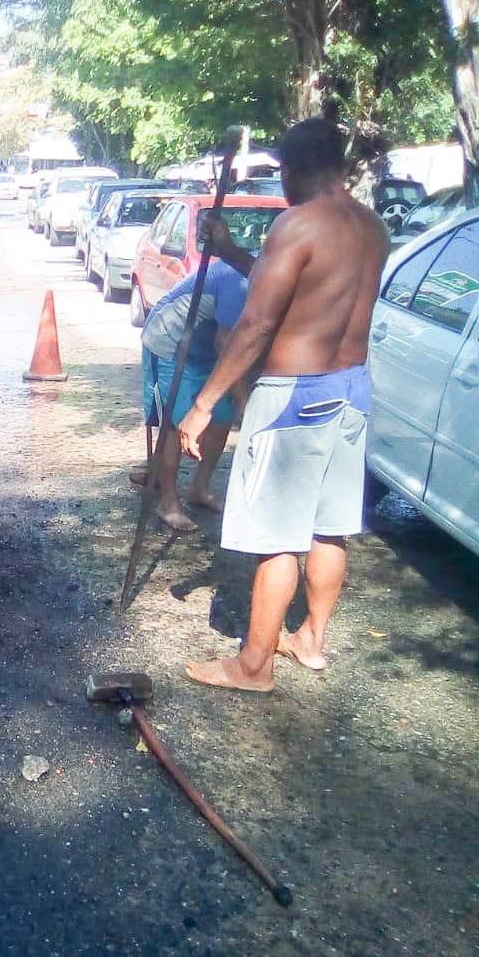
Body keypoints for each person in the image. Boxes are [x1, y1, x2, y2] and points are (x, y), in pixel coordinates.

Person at [178, 117, 389, 692]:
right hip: (351, 388)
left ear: (294, 171)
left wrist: (204, 403)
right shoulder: (372, 227)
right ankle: (311, 642)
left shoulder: (296, 225)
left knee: (277, 535)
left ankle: (254, 666)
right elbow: (307, 290)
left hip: (296, 395)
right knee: (330, 527)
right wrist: (230, 251)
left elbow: (257, 323)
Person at [139, 253, 251, 531]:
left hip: (204, 351)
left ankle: (199, 489)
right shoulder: (239, 280)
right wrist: (242, 395)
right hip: (169, 344)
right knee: (176, 425)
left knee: (222, 416)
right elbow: (225, 343)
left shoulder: (267, 278)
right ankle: (168, 503)